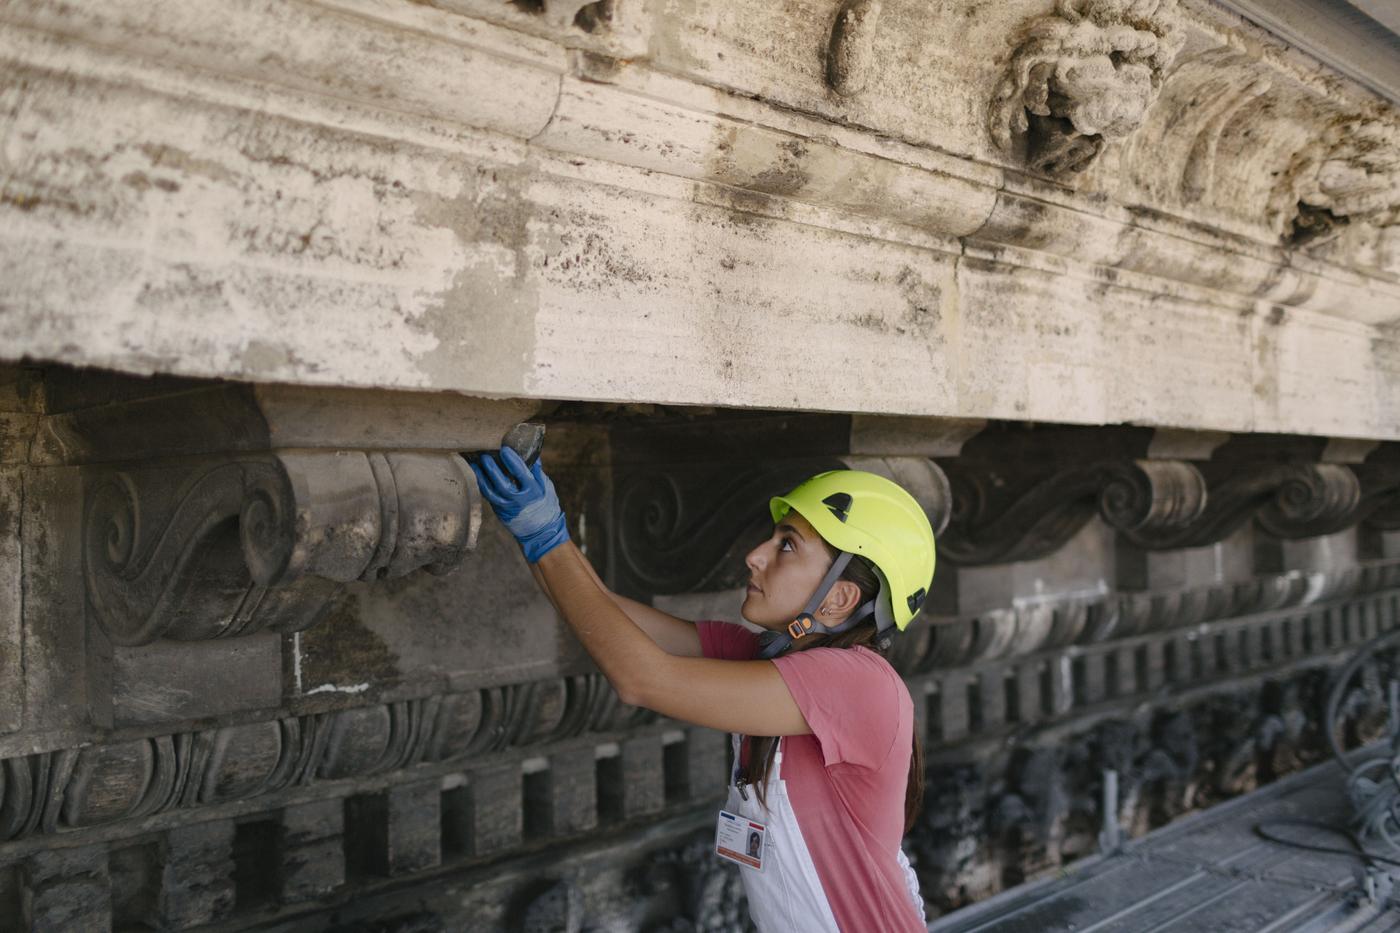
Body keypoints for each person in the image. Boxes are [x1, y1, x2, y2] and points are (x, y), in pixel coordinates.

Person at [469, 446, 934, 932]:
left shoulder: (859, 684)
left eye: (788, 545)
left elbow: (642, 679)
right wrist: (538, 530)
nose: (754, 556)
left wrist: (547, 536)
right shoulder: (762, 659)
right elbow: (603, 613)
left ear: (840, 597)